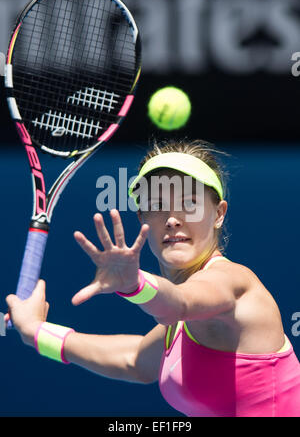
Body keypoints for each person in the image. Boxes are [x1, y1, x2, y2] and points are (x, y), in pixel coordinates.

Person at [5, 139, 300, 417]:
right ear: (142, 218)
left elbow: (180, 303)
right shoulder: (183, 324)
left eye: (189, 202)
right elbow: (134, 360)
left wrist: (135, 285)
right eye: (157, 205)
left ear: (219, 214)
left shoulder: (232, 281)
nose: (172, 218)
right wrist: (37, 333)